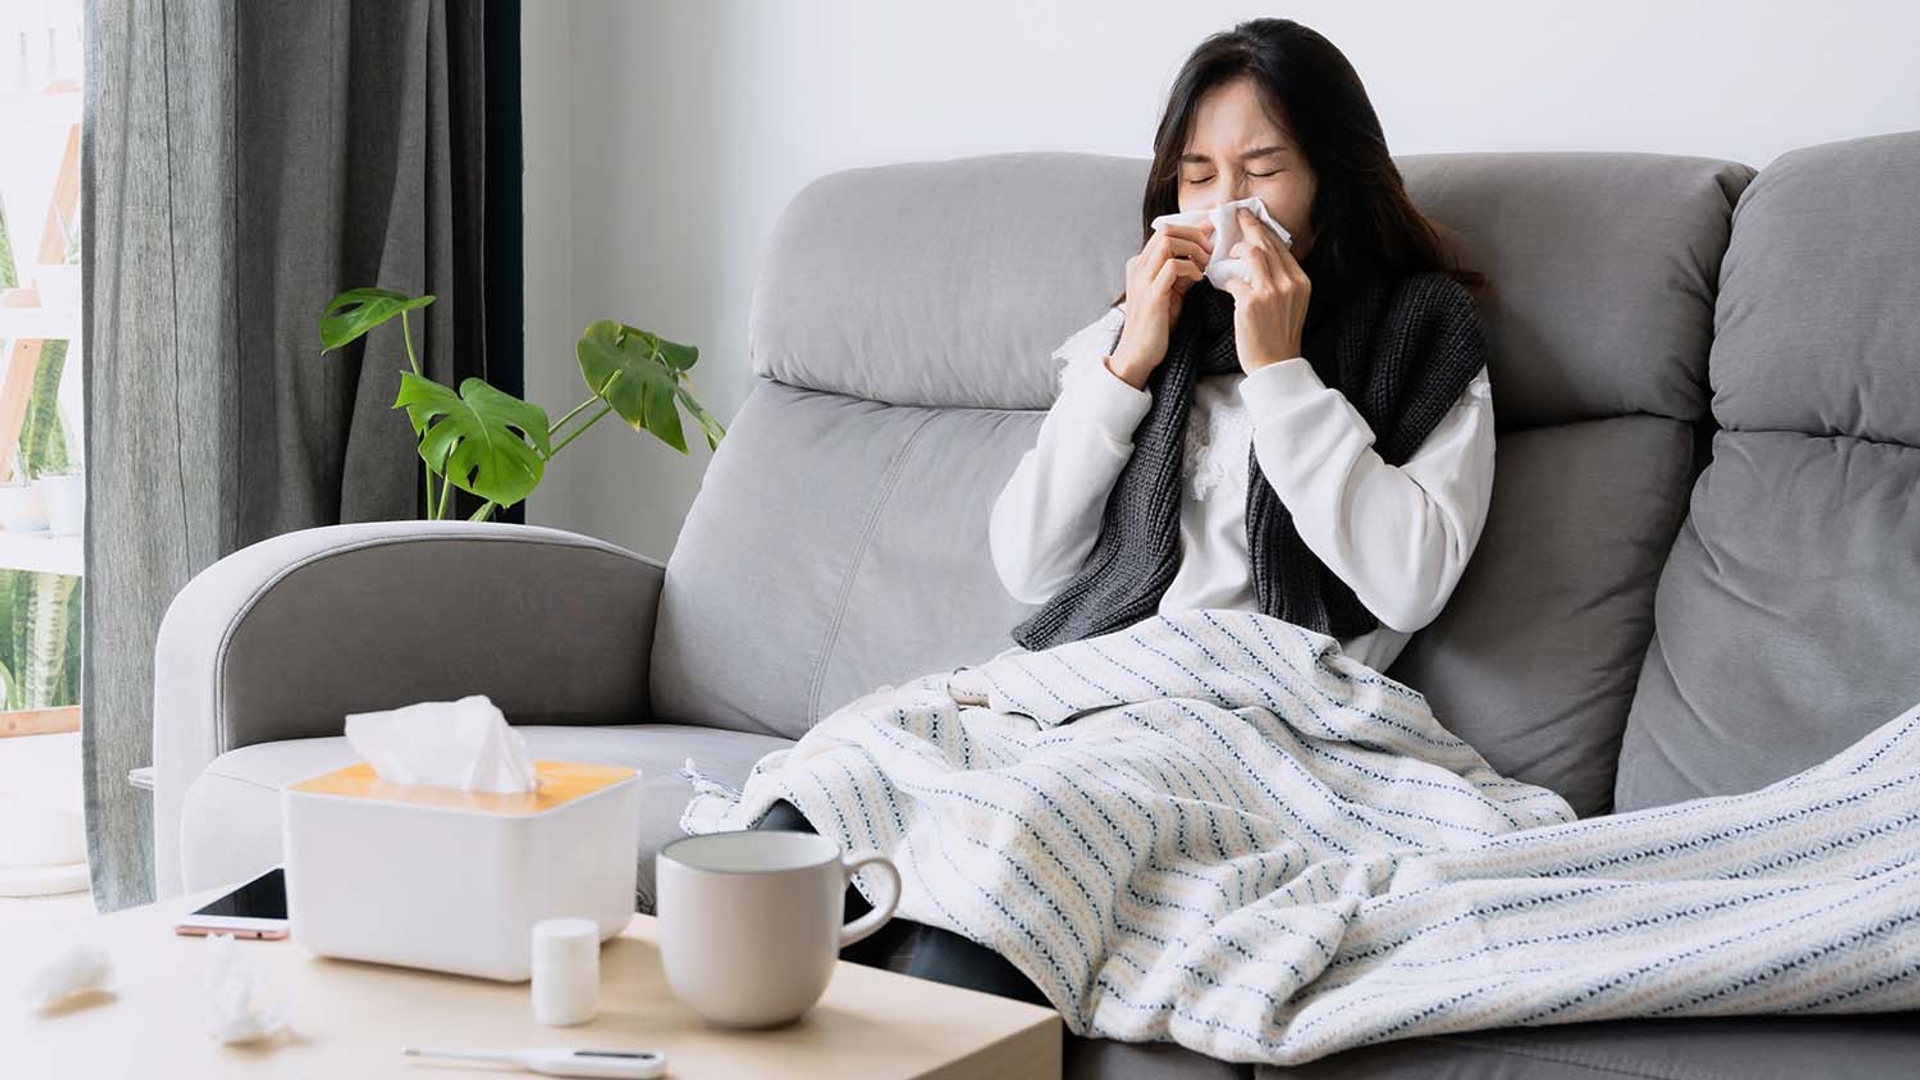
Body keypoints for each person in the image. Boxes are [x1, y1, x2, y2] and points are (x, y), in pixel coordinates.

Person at [755, 15, 1495, 1006]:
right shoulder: (1138, 336)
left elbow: (1408, 583)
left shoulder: (1424, 332)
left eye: (1263, 168)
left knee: (1009, 858)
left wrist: (1281, 366)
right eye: (1198, 175)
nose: (1227, 204)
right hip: (1078, 692)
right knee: (824, 796)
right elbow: (1028, 564)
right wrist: (1126, 362)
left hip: (1256, 713)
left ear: (1332, 181)